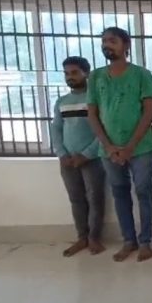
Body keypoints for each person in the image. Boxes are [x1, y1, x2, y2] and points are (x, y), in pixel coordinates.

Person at [87, 27, 152, 262]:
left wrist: (129, 147)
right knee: (119, 192)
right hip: (109, 149)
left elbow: (148, 113)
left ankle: (145, 241)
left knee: (143, 191)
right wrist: (108, 146)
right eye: (104, 41)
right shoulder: (96, 77)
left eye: (112, 40)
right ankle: (129, 240)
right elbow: (92, 114)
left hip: (140, 147)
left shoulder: (141, 75)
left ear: (126, 45)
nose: (107, 45)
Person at [50, 56, 106, 257]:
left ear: (86, 73)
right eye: (66, 73)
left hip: (92, 158)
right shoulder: (62, 102)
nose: (70, 77)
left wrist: (87, 154)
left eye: (74, 72)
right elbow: (56, 129)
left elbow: (103, 130)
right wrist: (62, 154)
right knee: (76, 199)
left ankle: (94, 238)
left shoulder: (96, 100)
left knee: (95, 198)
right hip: (67, 160)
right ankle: (82, 237)